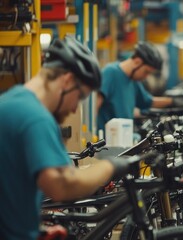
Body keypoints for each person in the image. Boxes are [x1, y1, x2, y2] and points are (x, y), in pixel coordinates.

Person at [0, 37, 128, 239]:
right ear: (67, 80)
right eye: (79, 97)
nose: (75, 108)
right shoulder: (35, 117)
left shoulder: (10, 101)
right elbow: (61, 185)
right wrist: (111, 167)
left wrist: (38, 230)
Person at [96, 41, 183, 133]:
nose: (146, 77)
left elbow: (148, 101)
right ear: (137, 62)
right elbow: (95, 106)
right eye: (146, 72)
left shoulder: (133, 80)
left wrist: (174, 102)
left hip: (125, 139)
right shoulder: (110, 73)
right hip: (108, 142)